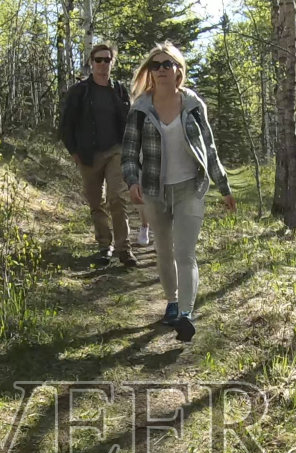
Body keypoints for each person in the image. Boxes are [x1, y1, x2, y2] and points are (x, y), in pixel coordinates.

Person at [121, 43, 235, 342]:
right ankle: (171, 301)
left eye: (166, 64)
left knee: (185, 253)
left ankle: (185, 313)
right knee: (164, 250)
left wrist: (223, 186)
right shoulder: (140, 108)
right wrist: (132, 180)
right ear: (150, 72)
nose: (160, 69)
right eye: (155, 65)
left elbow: (209, 147)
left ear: (178, 71)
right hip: (154, 190)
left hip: (190, 188)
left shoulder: (193, 105)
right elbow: (130, 151)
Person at [58, 45, 136, 267]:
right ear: (91, 62)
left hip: (115, 151)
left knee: (117, 198)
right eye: (98, 60)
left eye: (107, 60)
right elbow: (66, 124)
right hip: (88, 154)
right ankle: (104, 246)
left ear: (113, 62)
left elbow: (129, 123)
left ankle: (124, 249)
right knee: (96, 202)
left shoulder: (119, 90)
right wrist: (73, 151)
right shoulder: (79, 91)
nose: (103, 64)